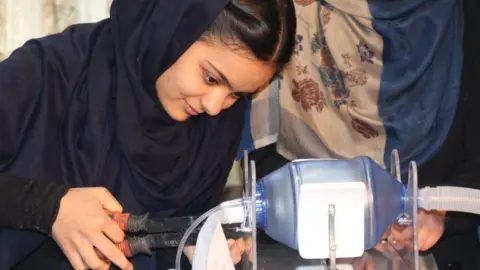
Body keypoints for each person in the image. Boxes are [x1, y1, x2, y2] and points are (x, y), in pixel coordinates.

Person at [0, 0, 296, 269]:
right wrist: (49, 206)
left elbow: (167, 237)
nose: (215, 106)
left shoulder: (216, 127)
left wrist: (192, 253)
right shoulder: (49, 73)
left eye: (237, 94)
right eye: (210, 78)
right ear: (172, 28)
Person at [240, 0, 480, 268]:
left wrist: (441, 214)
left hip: (439, 249)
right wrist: (329, 219)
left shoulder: (461, 14)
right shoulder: (291, 9)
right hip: (302, 243)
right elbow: (266, 162)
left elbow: (472, 174)